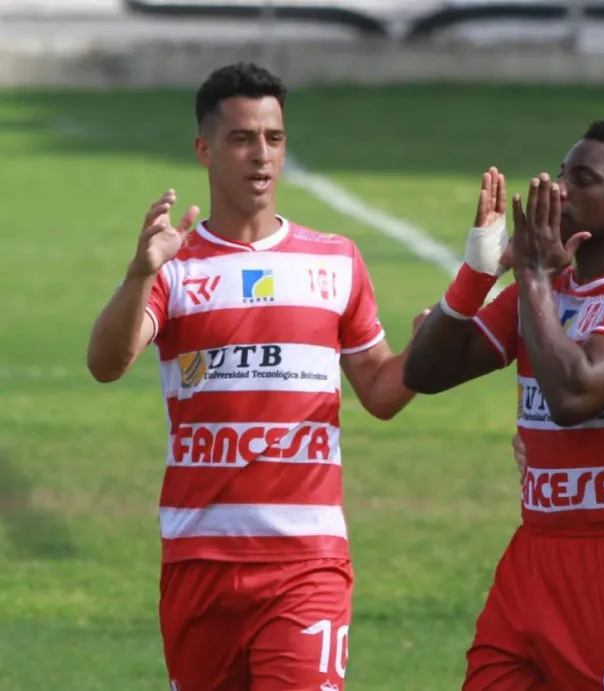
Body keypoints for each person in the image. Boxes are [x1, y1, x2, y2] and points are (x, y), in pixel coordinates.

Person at [86, 62, 422, 691]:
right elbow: (107, 364)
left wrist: (445, 330)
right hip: (199, 559)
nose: (261, 155)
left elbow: (381, 390)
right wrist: (138, 275)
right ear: (204, 151)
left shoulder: (335, 260)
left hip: (307, 561)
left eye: (274, 138)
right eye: (242, 139)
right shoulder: (175, 267)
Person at [403, 119, 604, 691]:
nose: (560, 189)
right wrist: (479, 270)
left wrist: (536, 276)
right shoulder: (537, 294)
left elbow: (574, 394)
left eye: (583, 179)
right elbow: (424, 371)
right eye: (563, 172)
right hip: (534, 550)